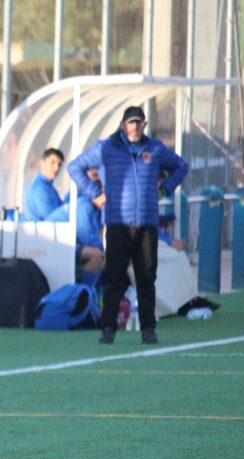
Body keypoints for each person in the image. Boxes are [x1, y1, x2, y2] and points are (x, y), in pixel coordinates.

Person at [68, 105, 189, 345]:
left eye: (139, 123)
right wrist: (94, 192)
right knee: (114, 278)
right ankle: (108, 328)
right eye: (131, 123)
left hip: (146, 224)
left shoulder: (154, 149)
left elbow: (182, 166)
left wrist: (165, 189)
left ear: (144, 125)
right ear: (123, 125)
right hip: (117, 223)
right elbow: (75, 167)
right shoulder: (106, 148)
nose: (135, 127)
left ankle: (148, 328)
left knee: (146, 277)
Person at [74, 169, 105, 288]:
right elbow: (87, 237)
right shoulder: (84, 206)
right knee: (96, 255)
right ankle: (86, 295)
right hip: (57, 243)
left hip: (73, 244)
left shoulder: (97, 210)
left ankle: (98, 294)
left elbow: (100, 234)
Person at [23, 148, 69, 222]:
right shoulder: (39, 189)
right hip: (42, 232)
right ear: (42, 163)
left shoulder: (49, 187)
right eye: (52, 163)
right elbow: (52, 218)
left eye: (59, 165)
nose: (56, 168)